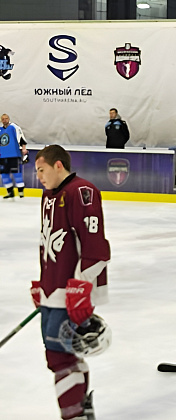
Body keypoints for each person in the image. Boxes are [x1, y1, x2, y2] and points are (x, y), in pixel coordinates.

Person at [32, 145, 111, 420]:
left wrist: (82, 286)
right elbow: (50, 242)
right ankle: (83, 408)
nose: (38, 176)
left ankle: (73, 415)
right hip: (55, 288)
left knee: (59, 356)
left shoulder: (81, 190)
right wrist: (43, 282)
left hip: (72, 289)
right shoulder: (48, 194)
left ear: (58, 166)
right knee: (66, 354)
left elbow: (96, 246)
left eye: (41, 170)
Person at [1, 113, 27, 199]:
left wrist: (23, 148)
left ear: (9, 119)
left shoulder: (14, 127)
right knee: (4, 174)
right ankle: (10, 192)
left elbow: (21, 137)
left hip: (13, 155)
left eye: (6, 118)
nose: (4, 120)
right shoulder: (0, 130)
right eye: (3, 119)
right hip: (2, 156)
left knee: (16, 173)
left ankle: (20, 192)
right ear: (1, 120)